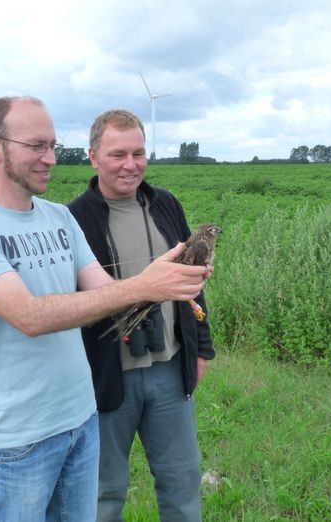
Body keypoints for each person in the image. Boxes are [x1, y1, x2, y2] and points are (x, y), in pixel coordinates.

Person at [0, 97, 209, 521]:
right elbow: (29, 316)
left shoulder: (59, 219)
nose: (49, 158)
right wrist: (145, 284)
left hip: (81, 418)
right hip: (18, 435)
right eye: (36, 146)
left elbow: (107, 292)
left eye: (52, 145)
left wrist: (168, 284)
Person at [68, 109, 215, 521]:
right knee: (102, 492)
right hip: (106, 376)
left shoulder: (166, 204)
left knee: (182, 482)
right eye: (117, 154)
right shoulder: (73, 218)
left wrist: (201, 348)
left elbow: (192, 281)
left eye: (138, 153)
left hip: (169, 369)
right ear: (93, 156)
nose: (130, 165)